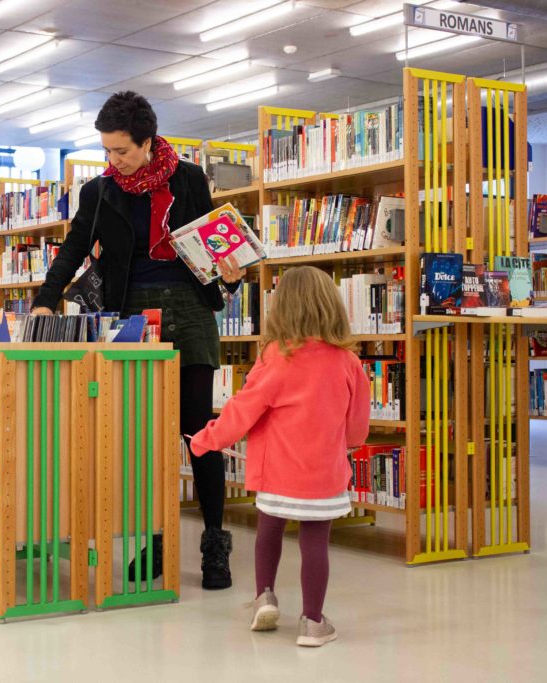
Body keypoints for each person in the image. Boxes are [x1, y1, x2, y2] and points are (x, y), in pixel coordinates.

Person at [31, 91, 245, 589]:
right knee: (142, 439)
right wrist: (45, 297)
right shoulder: (100, 191)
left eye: (122, 151)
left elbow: (214, 248)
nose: (113, 160)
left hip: (189, 312)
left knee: (199, 432)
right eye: (106, 151)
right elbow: (73, 250)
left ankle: (215, 544)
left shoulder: (190, 179)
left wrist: (231, 277)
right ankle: (156, 542)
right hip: (129, 315)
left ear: (149, 142)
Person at [190, 266, 370, 646]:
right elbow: (357, 430)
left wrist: (206, 440)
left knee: (268, 532)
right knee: (315, 543)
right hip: (324, 474)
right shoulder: (349, 363)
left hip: (276, 473)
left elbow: (243, 409)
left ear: (281, 308)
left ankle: (265, 597)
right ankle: (313, 622)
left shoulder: (274, 356)